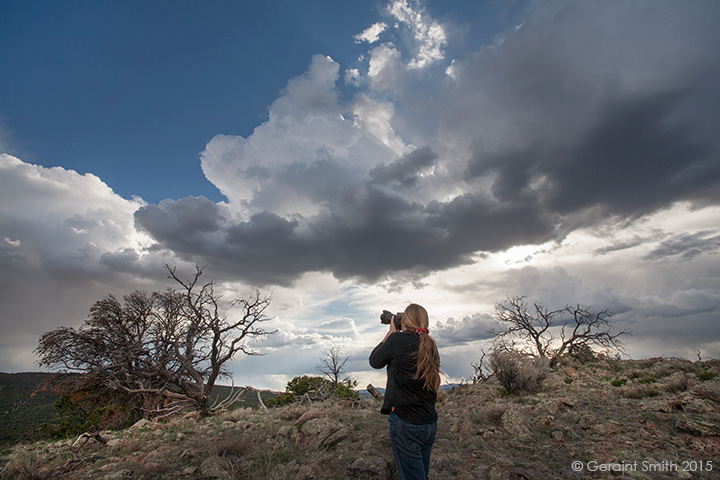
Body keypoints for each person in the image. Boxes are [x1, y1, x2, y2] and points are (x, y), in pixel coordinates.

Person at [369, 303, 441, 480]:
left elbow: (374, 360)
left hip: (406, 423)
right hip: (429, 423)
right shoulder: (430, 345)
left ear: (405, 322)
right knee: (421, 474)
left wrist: (391, 332)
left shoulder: (396, 341)